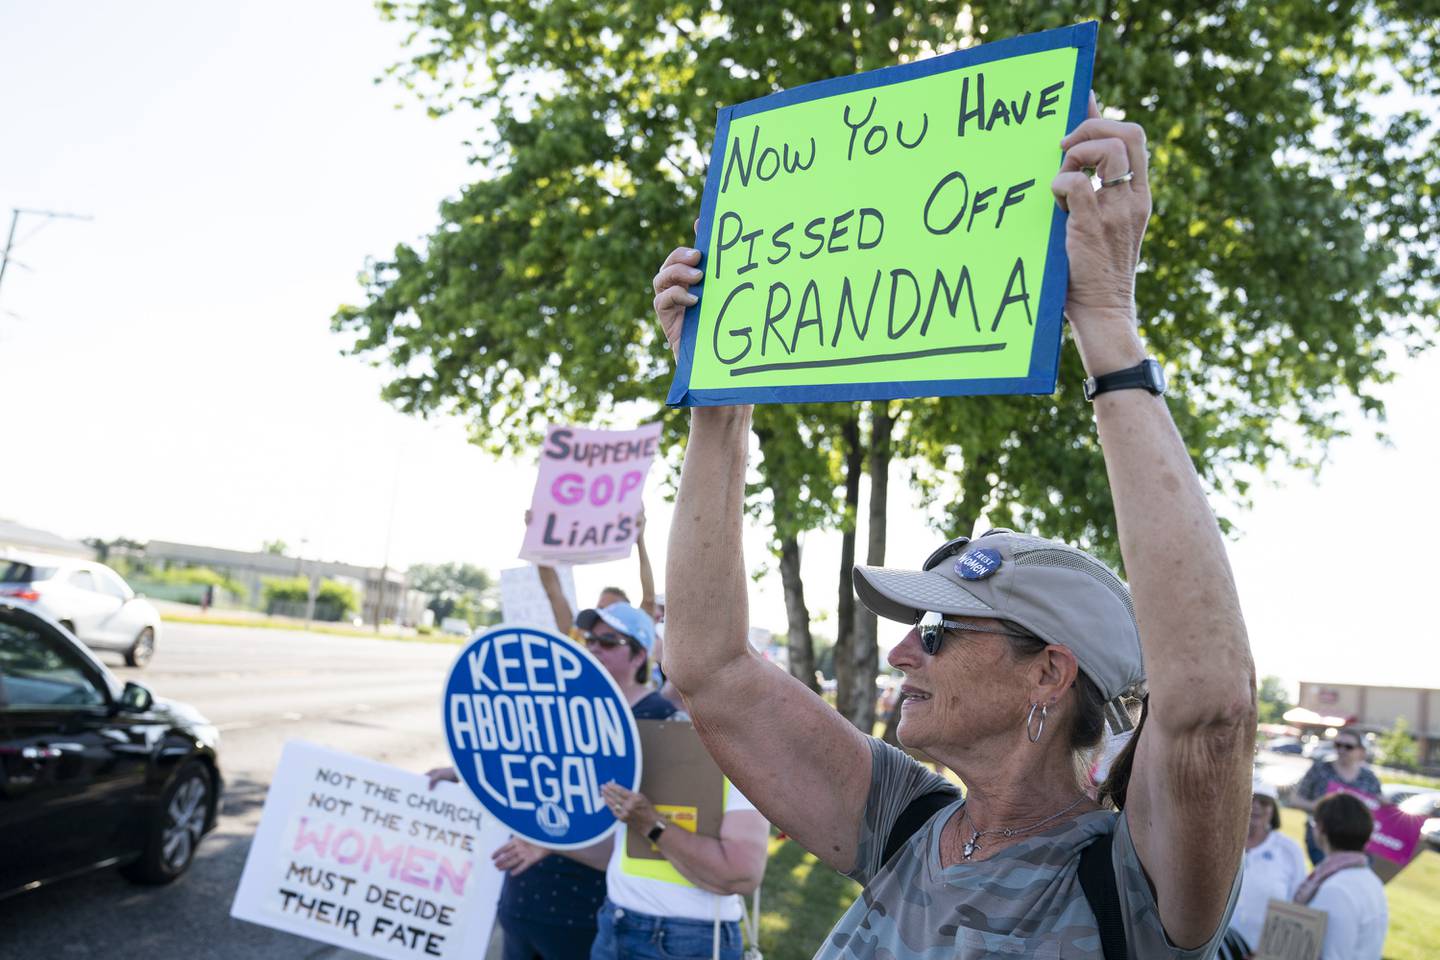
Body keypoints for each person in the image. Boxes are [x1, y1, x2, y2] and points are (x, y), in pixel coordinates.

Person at [650, 91, 1255, 957]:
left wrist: (1109, 326)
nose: (901, 652)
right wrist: (717, 402)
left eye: (935, 631)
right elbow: (707, 666)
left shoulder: (1136, 884)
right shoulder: (904, 820)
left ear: (1049, 672)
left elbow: (1209, 712)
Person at [489, 612, 770, 960]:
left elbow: (740, 875)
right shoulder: (659, 741)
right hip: (616, 924)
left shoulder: (739, 759)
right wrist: (554, 843)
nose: (671, 674)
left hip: (684, 940)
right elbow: (620, 846)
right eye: (674, 663)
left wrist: (651, 825)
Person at [428, 602, 677, 960]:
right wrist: (464, 773)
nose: (593, 648)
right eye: (589, 639)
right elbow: (527, 766)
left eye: (608, 642)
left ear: (639, 655)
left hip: (586, 915)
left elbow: (646, 841)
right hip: (521, 901)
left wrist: (552, 842)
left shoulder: (660, 720)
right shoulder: (561, 705)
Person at [1296, 793, 1387, 959]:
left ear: (1321, 828)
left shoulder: (1335, 889)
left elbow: (1332, 955)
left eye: (1313, 822)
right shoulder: (1371, 880)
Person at [1227, 777, 1307, 953]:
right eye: (1251, 798)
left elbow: (1299, 906)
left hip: (1266, 952)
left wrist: (1273, 953)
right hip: (1218, 951)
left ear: (1273, 810)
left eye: (1264, 802)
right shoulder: (1221, 842)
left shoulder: (1289, 850)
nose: (1256, 806)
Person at [1291, 728, 1380, 865]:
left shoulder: (1369, 778)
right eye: (1338, 745)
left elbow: (1378, 808)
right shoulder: (1320, 769)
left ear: (1360, 752)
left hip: (1355, 838)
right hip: (1323, 834)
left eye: (1348, 747)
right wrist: (1316, 805)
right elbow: (1295, 799)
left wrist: (1385, 804)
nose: (1342, 750)